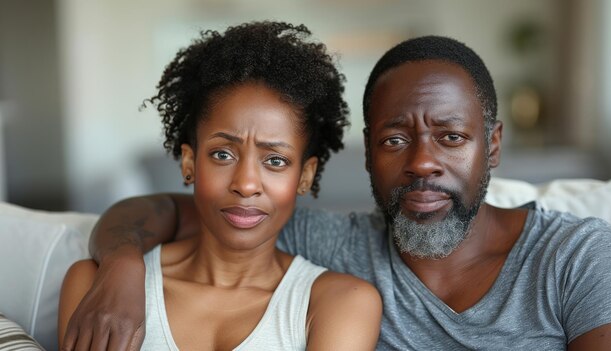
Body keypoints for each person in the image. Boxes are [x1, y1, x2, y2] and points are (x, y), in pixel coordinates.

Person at [64, 35, 611, 350]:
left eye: (451, 137)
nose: (423, 162)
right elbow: (160, 210)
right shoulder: (326, 246)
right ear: (367, 154)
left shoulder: (575, 257)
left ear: (493, 146)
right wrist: (120, 264)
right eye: (395, 139)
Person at [57, 21, 382, 351]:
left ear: (305, 177)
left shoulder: (340, 303)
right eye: (223, 154)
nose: (246, 184)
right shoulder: (95, 285)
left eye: (275, 161)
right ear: (189, 163)